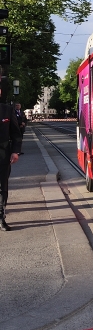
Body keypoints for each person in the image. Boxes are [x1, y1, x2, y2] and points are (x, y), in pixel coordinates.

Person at [0, 97, 22, 231]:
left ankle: (1, 217)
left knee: (2, 186)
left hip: (3, 156)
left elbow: (15, 133)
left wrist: (15, 151)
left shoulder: (7, 110)